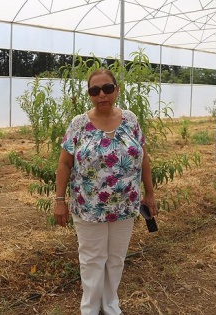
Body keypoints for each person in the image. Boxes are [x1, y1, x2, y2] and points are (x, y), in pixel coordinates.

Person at [54, 69, 157, 315]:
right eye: (95, 90)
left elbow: (143, 158)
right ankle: (90, 308)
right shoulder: (79, 124)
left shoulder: (130, 119)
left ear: (117, 89)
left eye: (107, 89)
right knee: (91, 259)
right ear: (89, 95)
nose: (102, 95)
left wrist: (150, 194)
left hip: (125, 205)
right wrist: (59, 200)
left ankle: (111, 305)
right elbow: (64, 163)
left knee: (116, 259)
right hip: (89, 206)